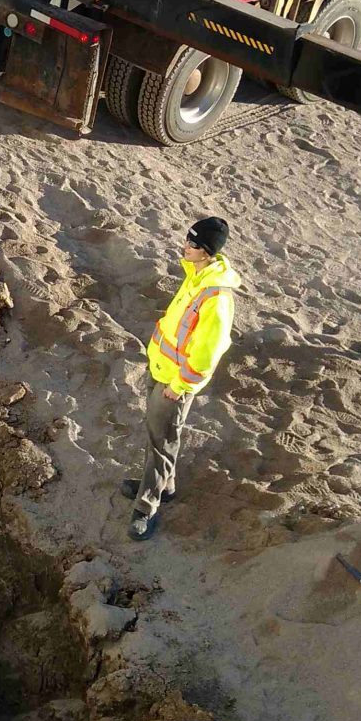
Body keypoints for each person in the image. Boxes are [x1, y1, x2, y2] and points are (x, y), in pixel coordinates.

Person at [128, 216, 239, 540]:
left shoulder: (216, 298)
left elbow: (206, 355)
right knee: (159, 435)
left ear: (206, 251)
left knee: (161, 443)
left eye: (192, 243)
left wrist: (179, 388)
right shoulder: (196, 276)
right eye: (187, 239)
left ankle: (145, 507)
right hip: (161, 368)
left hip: (174, 382)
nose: (185, 246)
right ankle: (167, 486)